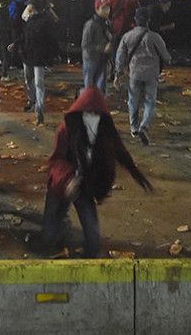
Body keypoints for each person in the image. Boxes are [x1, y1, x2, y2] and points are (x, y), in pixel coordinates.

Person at [43, 87, 153, 257]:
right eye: (88, 113)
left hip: (84, 185)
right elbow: (56, 160)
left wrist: (138, 176)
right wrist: (68, 180)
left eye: (95, 114)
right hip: (61, 185)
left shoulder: (105, 130)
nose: (91, 117)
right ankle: (62, 226)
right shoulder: (67, 128)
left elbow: (122, 153)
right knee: (49, 237)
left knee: (93, 244)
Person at [115, 6, 171, 145]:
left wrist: (118, 73)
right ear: (148, 20)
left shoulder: (127, 36)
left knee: (133, 101)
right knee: (150, 101)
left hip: (134, 73)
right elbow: (166, 56)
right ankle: (144, 126)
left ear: (135, 20)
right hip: (151, 74)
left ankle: (134, 128)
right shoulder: (154, 37)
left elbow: (120, 57)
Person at [15, 0, 59, 126]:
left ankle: (39, 110)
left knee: (39, 82)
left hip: (38, 57)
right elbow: (24, 36)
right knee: (29, 79)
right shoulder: (30, 20)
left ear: (35, 8)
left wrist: (53, 55)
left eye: (31, 6)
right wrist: (16, 44)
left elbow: (51, 40)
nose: (28, 8)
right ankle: (32, 101)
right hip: (28, 56)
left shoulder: (45, 22)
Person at [81, 0, 112, 93]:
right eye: (103, 8)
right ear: (97, 9)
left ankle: (97, 107)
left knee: (101, 88)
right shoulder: (91, 24)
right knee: (89, 89)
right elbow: (85, 44)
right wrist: (103, 48)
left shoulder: (107, 23)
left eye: (108, 7)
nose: (107, 10)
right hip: (91, 60)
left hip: (102, 59)